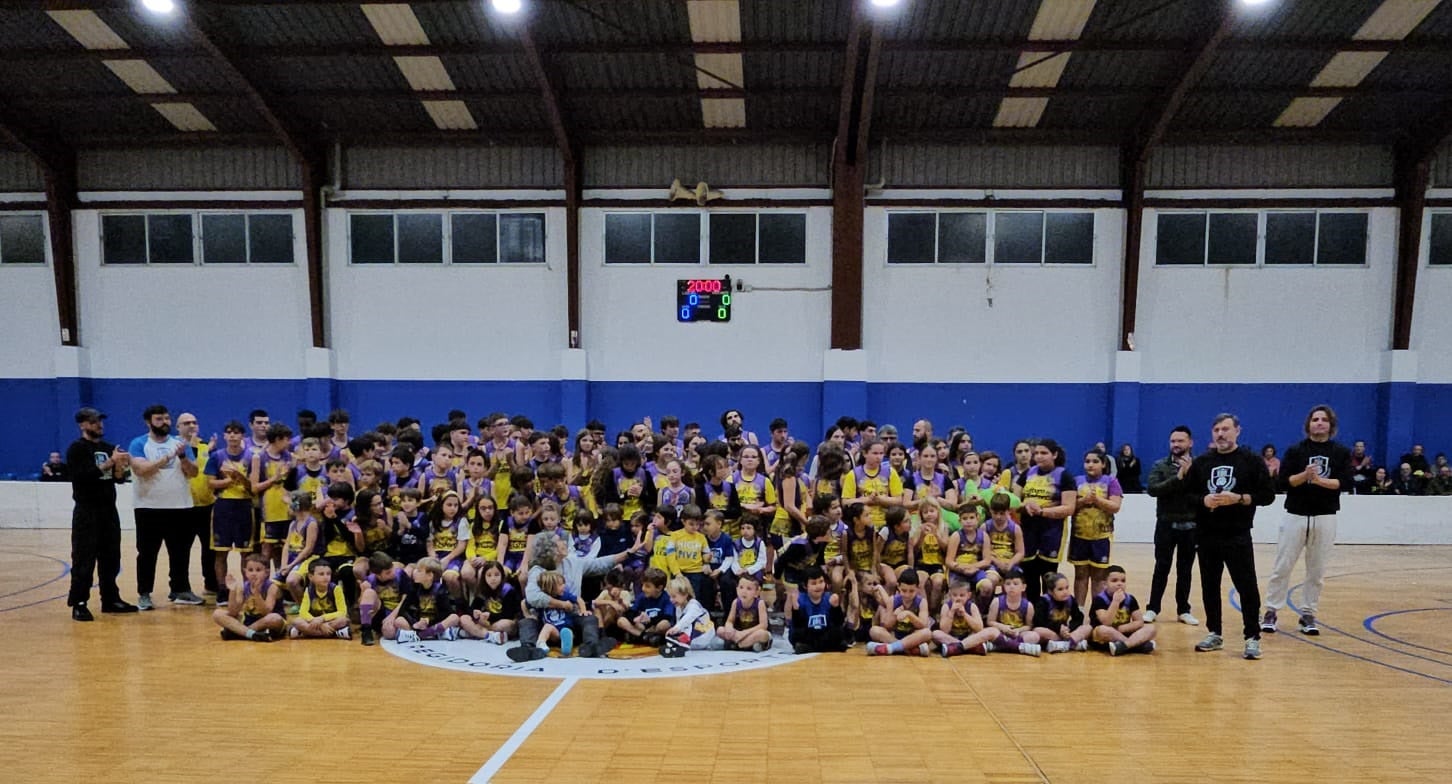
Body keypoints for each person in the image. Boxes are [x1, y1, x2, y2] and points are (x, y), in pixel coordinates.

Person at [1184, 413, 1274, 660]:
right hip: (1207, 534)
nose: (1220, 434)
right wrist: (1203, 500)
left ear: (1237, 431)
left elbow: (1268, 495)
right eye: (1216, 429)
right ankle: (1214, 632)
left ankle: (1252, 637)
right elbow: (1187, 495)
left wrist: (1241, 498)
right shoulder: (1202, 462)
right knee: (1209, 586)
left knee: (1246, 587)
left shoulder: (1251, 461)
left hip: (1238, 534)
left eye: (1225, 429)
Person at [1262, 405, 1352, 636]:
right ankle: (1271, 610)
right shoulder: (1296, 451)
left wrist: (1319, 480)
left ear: (1331, 425)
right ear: (1308, 424)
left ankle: (1308, 613)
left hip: (1325, 516)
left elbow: (1343, 483)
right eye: (1315, 419)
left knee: (1317, 570)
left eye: (1323, 420)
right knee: (1282, 566)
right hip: (1295, 515)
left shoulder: (1340, 452)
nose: (1319, 423)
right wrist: (1305, 476)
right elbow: (1284, 482)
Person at [509, 532, 644, 661]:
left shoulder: (573, 562)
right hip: (545, 620)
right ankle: (528, 649)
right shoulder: (537, 570)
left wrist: (629, 552)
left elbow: (600, 564)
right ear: (551, 550)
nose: (564, 542)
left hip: (570, 619)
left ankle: (591, 646)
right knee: (526, 622)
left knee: (589, 619)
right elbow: (532, 596)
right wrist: (561, 604)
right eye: (559, 541)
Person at [128, 404, 204, 609]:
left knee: (180, 551)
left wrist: (182, 456)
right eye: (159, 419)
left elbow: (194, 472)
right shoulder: (139, 443)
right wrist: (168, 456)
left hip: (180, 506)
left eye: (167, 418)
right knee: (147, 553)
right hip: (148, 507)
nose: (165, 423)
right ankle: (144, 593)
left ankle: (180, 589)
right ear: (149, 422)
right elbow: (142, 469)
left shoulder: (180, 444)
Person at [65, 407, 137, 621]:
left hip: (108, 510)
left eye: (100, 421)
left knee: (111, 557)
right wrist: (110, 462)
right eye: (94, 422)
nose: (99, 425)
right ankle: (79, 602)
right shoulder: (77, 449)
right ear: (83, 425)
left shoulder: (108, 447)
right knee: (84, 559)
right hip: (87, 511)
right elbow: (83, 477)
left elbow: (119, 479)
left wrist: (120, 467)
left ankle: (110, 598)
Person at [1144, 426, 1200, 626]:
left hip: (1191, 526)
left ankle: (1183, 610)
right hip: (1166, 524)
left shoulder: (1200, 466)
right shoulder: (1160, 465)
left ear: (1190, 443)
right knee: (1161, 567)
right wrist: (1178, 478)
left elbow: (1200, 494)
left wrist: (1189, 474)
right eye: (1173, 441)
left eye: (1180, 441)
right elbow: (1153, 489)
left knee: (1185, 570)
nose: (1176, 445)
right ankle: (1152, 608)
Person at [176, 413, 219, 599]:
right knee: (181, 549)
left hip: (207, 505)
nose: (192, 425)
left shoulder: (205, 447)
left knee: (210, 549)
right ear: (178, 427)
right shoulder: (174, 447)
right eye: (186, 423)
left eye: (194, 422)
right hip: (184, 507)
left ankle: (211, 584)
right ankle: (180, 587)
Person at [211, 553, 284, 642]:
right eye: (250, 570)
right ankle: (252, 634)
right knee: (217, 613)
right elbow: (233, 612)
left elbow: (266, 612)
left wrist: (257, 594)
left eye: (258, 570)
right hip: (250, 621)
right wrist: (232, 591)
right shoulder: (243, 587)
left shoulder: (272, 587)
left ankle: (240, 633)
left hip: (268, 622)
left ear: (267, 572)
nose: (254, 574)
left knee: (274, 618)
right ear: (245, 572)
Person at [1089, 565, 1156, 655]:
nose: (1119, 583)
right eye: (1114, 581)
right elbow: (1106, 622)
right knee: (1102, 630)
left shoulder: (1130, 599)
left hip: (1122, 633)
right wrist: (1115, 602)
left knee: (1151, 628)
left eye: (1123, 581)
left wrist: (1122, 628)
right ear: (1104, 584)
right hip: (1106, 637)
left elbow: (1139, 622)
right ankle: (1136, 646)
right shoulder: (1100, 599)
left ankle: (1123, 646)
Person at [865, 568, 933, 657]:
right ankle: (908, 649)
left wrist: (910, 615)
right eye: (904, 591)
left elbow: (923, 625)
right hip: (895, 637)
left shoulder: (922, 602)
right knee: (874, 630)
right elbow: (887, 625)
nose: (907, 595)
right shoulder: (893, 600)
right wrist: (895, 615)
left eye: (911, 591)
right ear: (898, 587)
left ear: (917, 588)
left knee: (927, 633)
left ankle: (891, 648)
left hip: (914, 637)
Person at [932, 578, 999, 657]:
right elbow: (944, 630)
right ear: (950, 595)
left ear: (968, 595)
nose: (958, 598)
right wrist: (952, 612)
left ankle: (956, 647)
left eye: (962, 595)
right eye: (955, 595)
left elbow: (979, 628)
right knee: (935, 634)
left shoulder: (972, 606)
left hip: (968, 636)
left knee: (981, 633)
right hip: (951, 636)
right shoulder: (946, 606)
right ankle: (969, 647)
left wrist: (965, 614)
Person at [789, 565, 846, 654]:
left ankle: (811, 648)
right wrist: (795, 609)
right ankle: (822, 647)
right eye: (814, 583)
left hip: (824, 633)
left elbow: (838, 622)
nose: (818, 586)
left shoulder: (829, 597)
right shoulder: (800, 600)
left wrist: (836, 608)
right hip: (809, 634)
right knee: (797, 634)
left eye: (821, 582)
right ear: (805, 586)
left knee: (839, 633)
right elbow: (798, 625)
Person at [717, 574, 772, 652]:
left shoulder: (760, 603)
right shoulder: (736, 602)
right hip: (739, 633)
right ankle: (748, 645)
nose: (744, 591)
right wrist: (729, 628)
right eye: (741, 587)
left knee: (762, 634)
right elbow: (729, 620)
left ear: (757, 592)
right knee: (720, 630)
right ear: (737, 590)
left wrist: (744, 633)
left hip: (753, 632)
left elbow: (763, 625)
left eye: (749, 589)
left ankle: (738, 645)